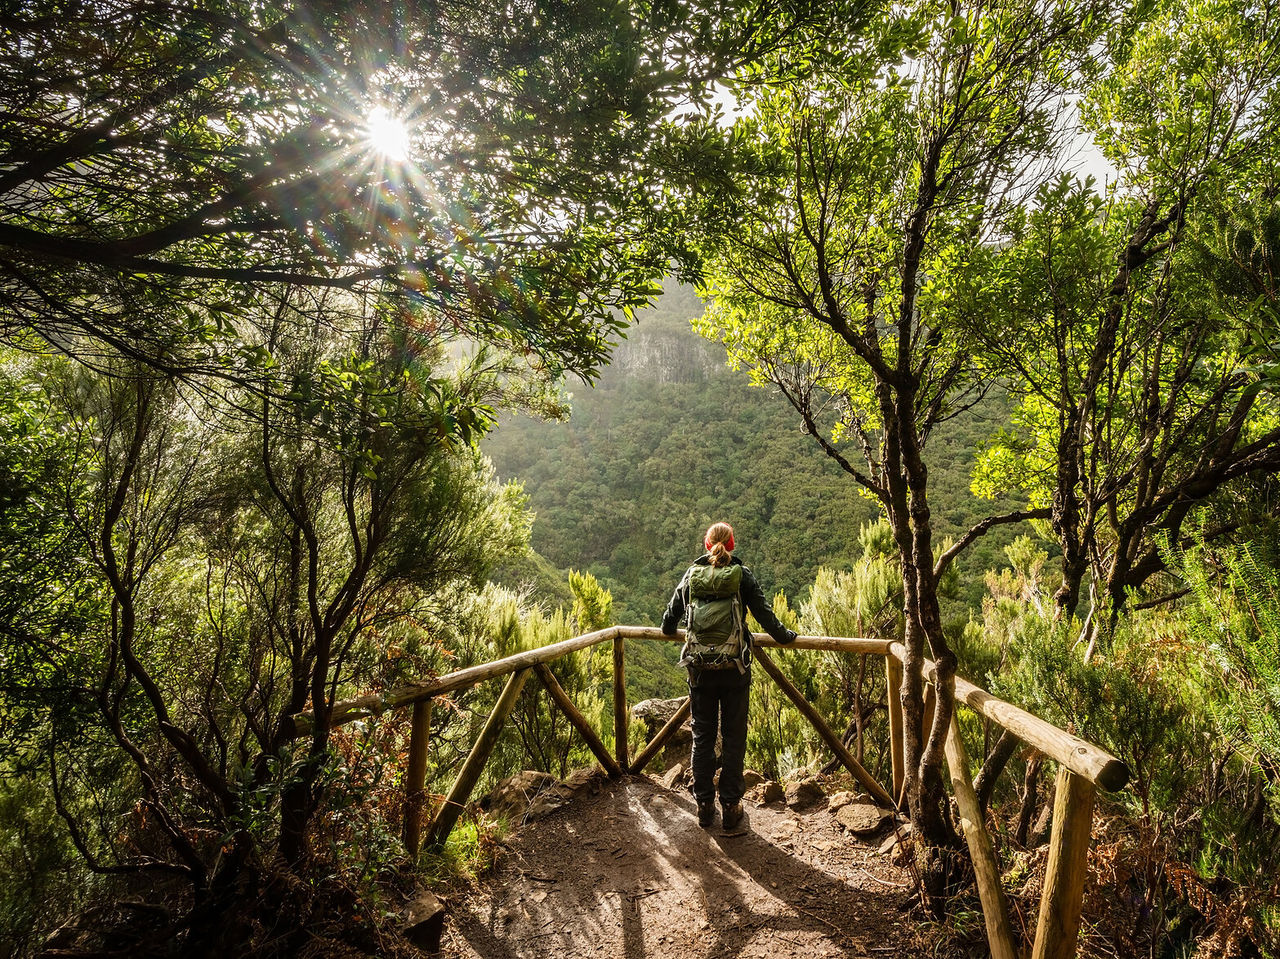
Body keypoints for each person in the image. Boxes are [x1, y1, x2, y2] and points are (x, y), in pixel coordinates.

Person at [661, 522, 797, 829]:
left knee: (702, 736)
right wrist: (786, 636)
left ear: (707, 545)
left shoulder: (692, 575)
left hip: (700, 671)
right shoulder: (741, 575)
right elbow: (765, 615)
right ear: (731, 545)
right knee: (734, 737)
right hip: (735, 669)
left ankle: (704, 805)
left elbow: (668, 622)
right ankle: (732, 807)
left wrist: (673, 630)